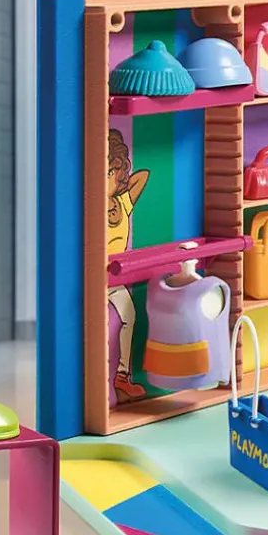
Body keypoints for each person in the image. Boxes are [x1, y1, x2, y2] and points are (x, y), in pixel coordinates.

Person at [105, 129, 150, 402]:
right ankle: (101, 378)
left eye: (111, 172)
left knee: (129, 316)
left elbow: (142, 176)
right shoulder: (92, 207)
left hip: (115, 279)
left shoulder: (123, 203)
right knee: (98, 327)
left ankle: (122, 375)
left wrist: (119, 182)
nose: (107, 178)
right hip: (94, 278)